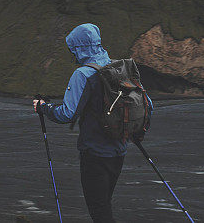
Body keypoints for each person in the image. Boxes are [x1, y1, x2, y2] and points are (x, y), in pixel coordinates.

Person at [33, 23, 152, 223]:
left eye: (73, 50)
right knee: (104, 203)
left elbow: (67, 114)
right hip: (120, 149)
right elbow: (147, 104)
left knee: (98, 209)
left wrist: (43, 108)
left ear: (78, 48)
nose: (72, 54)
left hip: (95, 153)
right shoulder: (117, 67)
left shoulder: (83, 74)